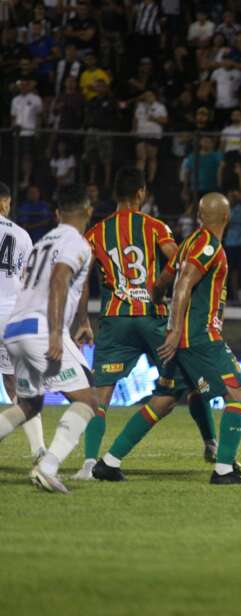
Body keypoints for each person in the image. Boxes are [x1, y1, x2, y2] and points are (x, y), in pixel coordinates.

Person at [90, 193, 241, 486]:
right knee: (238, 395)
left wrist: (158, 306)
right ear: (227, 218)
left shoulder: (190, 241)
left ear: (200, 216)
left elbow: (163, 281)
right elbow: (183, 284)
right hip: (199, 338)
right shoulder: (207, 245)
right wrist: (176, 328)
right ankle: (224, 471)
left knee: (164, 400)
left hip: (184, 339)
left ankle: (109, 462)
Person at [74, 168, 217, 480]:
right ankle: (211, 442)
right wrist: (161, 287)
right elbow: (179, 260)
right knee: (189, 382)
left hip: (115, 319)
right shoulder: (153, 226)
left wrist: (83, 319)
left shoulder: (95, 233)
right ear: (141, 192)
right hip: (152, 317)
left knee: (101, 396)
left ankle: (88, 463)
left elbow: (83, 281)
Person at [0, 184, 97, 494]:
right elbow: (59, 280)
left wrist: (79, 321)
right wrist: (56, 333)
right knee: (87, 400)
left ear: (57, 213)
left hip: (16, 327)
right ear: (88, 212)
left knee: (30, 404)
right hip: (41, 327)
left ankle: (45, 460)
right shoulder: (77, 243)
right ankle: (48, 466)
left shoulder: (43, 241)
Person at [0, 182, 46, 460]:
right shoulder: (22, 235)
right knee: (18, 382)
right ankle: (38, 448)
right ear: (6, 203)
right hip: (10, 315)